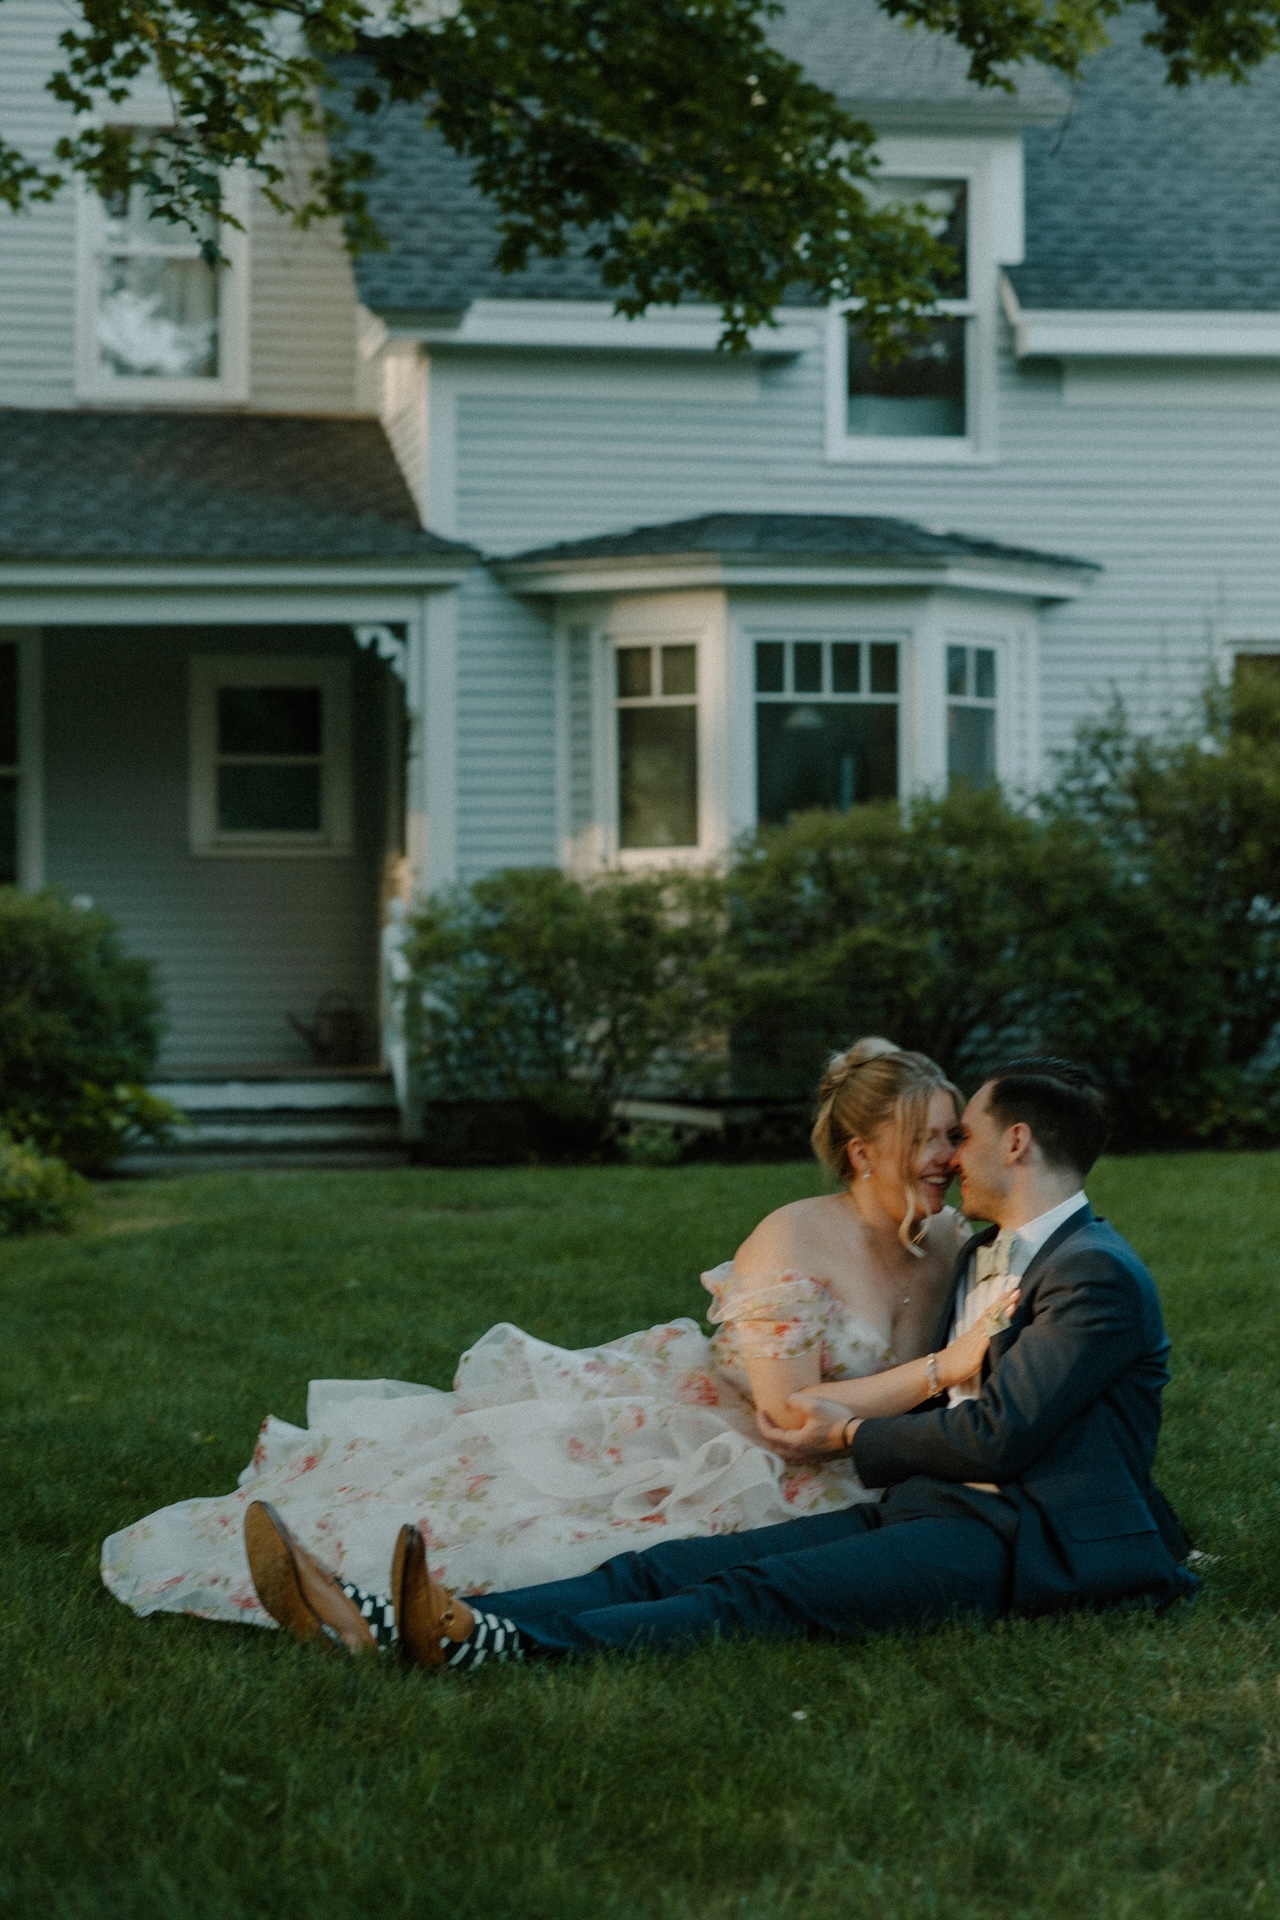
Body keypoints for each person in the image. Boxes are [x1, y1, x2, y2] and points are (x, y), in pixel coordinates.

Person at [241, 1056, 1196, 1666]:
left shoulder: (1094, 1275)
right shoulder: (981, 1251)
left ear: (1017, 1143)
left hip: (1031, 1538)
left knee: (758, 1595)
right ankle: (417, 1614)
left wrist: (853, 1433)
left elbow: (999, 1434)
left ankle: (491, 1643)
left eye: (968, 1135)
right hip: (944, 1505)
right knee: (677, 1563)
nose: (952, 1155)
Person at [102, 1038, 1013, 1634]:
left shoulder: (949, 1244)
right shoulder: (795, 1236)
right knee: (541, 1526)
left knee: (642, 1567)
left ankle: (389, 1616)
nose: (950, 1157)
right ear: (863, 1150)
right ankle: (355, 1598)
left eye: (954, 1138)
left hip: (859, 1461)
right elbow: (785, 1412)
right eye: (932, 1138)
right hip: (737, 1445)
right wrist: (942, 1367)